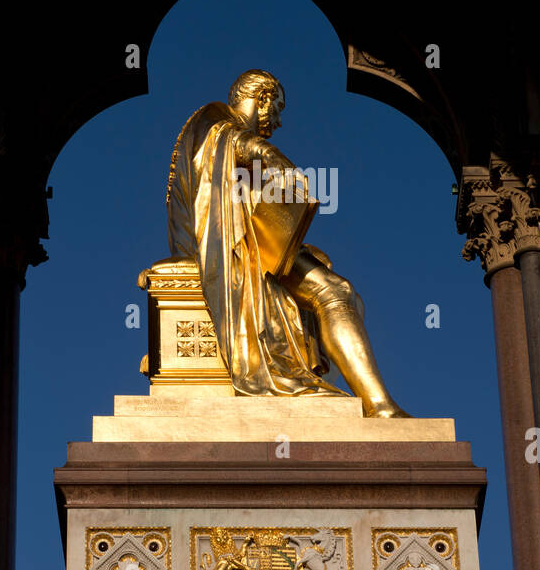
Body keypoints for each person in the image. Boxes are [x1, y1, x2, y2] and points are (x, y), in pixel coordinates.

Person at [166, 69, 410, 418]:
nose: (278, 121)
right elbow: (234, 144)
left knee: (344, 293)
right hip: (234, 254)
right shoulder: (215, 119)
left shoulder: (218, 129)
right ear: (262, 99)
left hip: (251, 249)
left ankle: (375, 402)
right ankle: (380, 407)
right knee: (335, 292)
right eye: (277, 109)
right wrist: (274, 158)